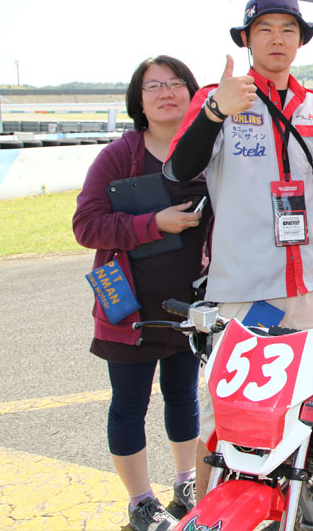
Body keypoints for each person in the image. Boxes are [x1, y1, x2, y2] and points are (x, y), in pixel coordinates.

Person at [164, 0, 313, 497]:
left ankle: (290, 506)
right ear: (246, 39)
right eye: (265, 30)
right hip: (245, 283)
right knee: (227, 407)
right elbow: (178, 170)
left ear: (300, 41)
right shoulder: (220, 98)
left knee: (306, 400)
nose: (277, 39)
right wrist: (216, 110)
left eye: (288, 30)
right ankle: (208, 510)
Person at [73, 56, 211, 531]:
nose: (166, 92)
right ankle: (140, 503)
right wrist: (154, 223)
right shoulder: (118, 156)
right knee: (129, 404)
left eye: (175, 83)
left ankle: (185, 483)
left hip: (192, 307)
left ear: (193, 93)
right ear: (139, 101)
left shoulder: (209, 150)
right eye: (153, 86)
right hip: (130, 308)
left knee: (184, 396)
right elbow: (86, 225)